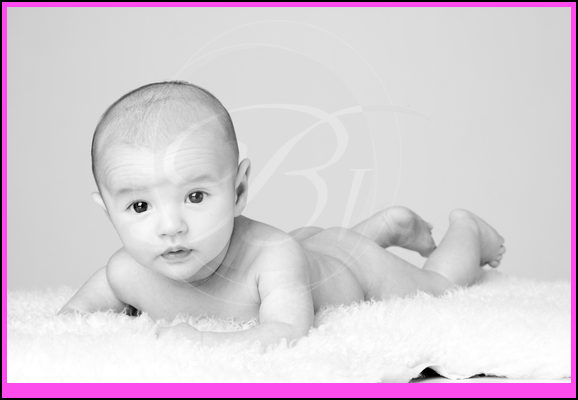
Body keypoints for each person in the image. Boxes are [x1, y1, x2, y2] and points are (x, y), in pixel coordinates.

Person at [58, 81, 506, 350]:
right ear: (108, 211)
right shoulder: (124, 273)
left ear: (238, 191)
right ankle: (388, 224)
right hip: (308, 250)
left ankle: (468, 230)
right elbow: (70, 319)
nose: (171, 226)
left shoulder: (272, 256)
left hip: (350, 265)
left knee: (437, 288)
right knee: (311, 248)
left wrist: (207, 342)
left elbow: (287, 330)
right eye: (139, 206)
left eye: (195, 196)